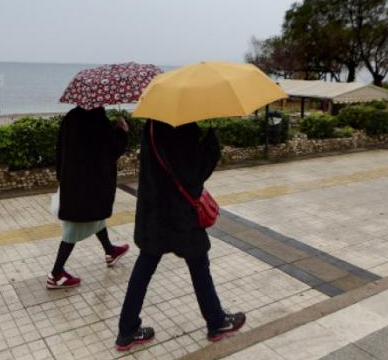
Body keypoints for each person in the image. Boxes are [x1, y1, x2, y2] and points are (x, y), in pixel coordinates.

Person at [115, 120, 245, 351]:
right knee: (199, 268)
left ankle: (127, 330)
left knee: (144, 267)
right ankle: (216, 322)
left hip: (154, 213)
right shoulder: (183, 128)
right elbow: (195, 173)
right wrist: (211, 143)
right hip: (180, 215)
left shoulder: (152, 125)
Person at [47, 106, 131, 289]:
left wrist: (62, 177)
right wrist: (122, 132)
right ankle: (55, 274)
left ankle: (110, 251)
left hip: (73, 183)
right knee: (73, 230)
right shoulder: (97, 120)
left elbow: (60, 148)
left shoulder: (71, 116)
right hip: (89, 187)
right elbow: (111, 150)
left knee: (95, 218)